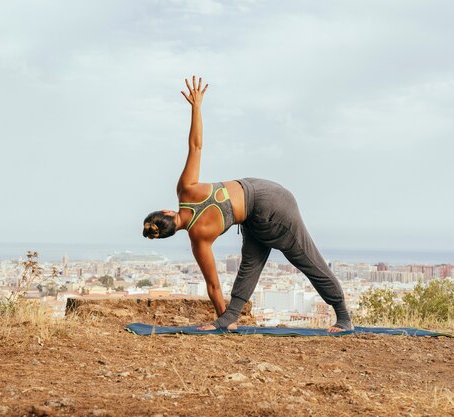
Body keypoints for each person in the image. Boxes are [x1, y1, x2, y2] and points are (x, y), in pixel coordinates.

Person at [142, 75, 353, 332]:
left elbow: (213, 286)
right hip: (261, 204)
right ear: (166, 212)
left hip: (272, 206)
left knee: (305, 257)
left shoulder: (199, 240)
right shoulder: (186, 190)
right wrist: (196, 106)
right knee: (249, 265)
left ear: (168, 234)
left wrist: (218, 318)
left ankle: (344, 318)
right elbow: (196, 146)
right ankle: (229, 319)